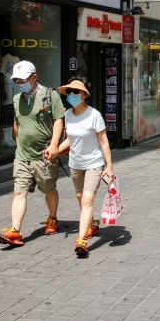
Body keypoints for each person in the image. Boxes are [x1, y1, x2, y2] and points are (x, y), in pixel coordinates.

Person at [0, 60, 65, 247]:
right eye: (16, 81)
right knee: (19, 192)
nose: (19, 84)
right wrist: (18, 145)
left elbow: (59, 120)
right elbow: (17, 123)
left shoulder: (51, 96)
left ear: (34, 77)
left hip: (44, 156)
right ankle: (15, 231)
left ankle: (52, 217)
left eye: (22, 80)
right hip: (23, 156)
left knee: (48, 188)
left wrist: (54, 146)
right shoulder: (17, 99)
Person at [54, 78, 113, 257]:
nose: (71, 95)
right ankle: (92, 224)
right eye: (69, 92)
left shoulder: (94, 115)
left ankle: (81, 240)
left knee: (87, 201)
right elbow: (70, 140)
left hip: (94, 164)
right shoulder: (68, 115)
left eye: (75, 92)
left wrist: (109, 166)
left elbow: (103, 142)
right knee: (81, 198)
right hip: (75, 164)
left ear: (84, 95)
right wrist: (55, 150)